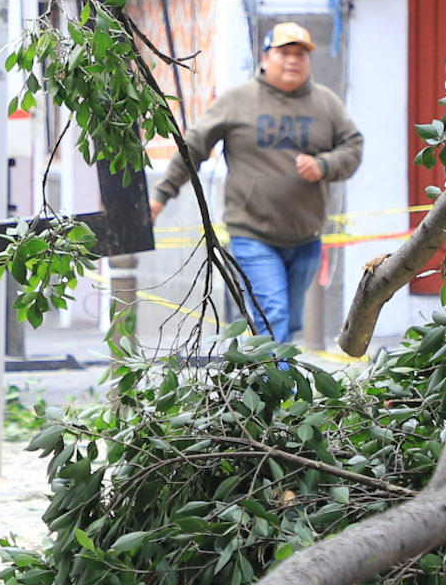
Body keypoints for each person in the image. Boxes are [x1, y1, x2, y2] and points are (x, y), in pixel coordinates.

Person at [149, 22, 366, 345]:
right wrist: (161, 196)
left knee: (288, 324)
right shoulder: (237, 101)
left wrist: (323, 165)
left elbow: (353, 148)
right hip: (252, 234)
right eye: (285, 52)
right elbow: (193, 147)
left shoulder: (326, 103)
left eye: (301, 54)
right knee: (272, 314)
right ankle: (282, 393)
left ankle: (260, 384)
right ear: (266, 58)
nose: (293, 60)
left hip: (306, 237)